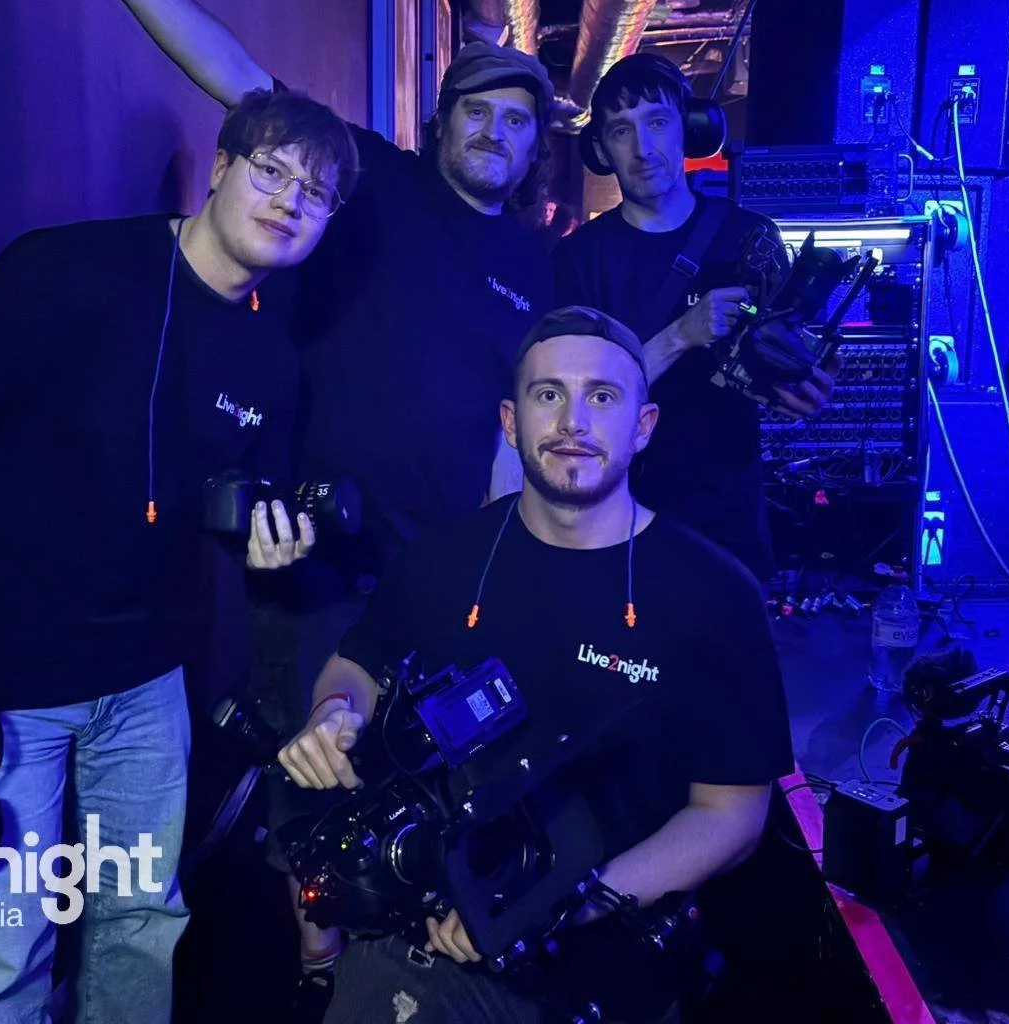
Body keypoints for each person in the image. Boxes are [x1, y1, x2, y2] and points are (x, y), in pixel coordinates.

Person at [27, 0, 558, 1010]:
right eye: (475, 111)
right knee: (313, 781)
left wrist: (492, 565)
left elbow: (505, 426)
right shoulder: (368, 182)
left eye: (516, 122)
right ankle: (318, 979)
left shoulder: (533, 262)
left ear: (533, 148)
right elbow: (234, 73)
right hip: (319, 562)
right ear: (443, 122)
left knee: (430, 779)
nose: (492, 132)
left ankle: (400, 971)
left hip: (439, 568)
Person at [0, 88, 355, 1023]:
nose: (291, 200)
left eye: (318, 194)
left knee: (141, 924)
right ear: (219, 167)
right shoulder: (71, 269)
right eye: (273, 170)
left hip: (145, 691)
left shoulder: (269, 362)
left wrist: (268, 539)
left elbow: (235, 506)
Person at [277, 306, 795, 1024]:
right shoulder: (443, 559)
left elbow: (732, 814)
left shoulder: (714, 594)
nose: (573, 421)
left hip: (607, 934)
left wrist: (560, 905)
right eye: (548, 394)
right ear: (511, 422)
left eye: (602, 397)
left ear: (642, 428)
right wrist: (336, 713)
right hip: (433, 926)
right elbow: (355, 663)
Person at [551, 54, 836, 583]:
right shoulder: (579, 259)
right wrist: (683, 333)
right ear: (601, 150)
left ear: (691, 128)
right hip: (620, 510)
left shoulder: (751, 237)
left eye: (657, 123)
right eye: (620, 131)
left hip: (728, 512)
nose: (641, 149)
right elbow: (578, 397)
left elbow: (777, 362)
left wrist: (801, 387)